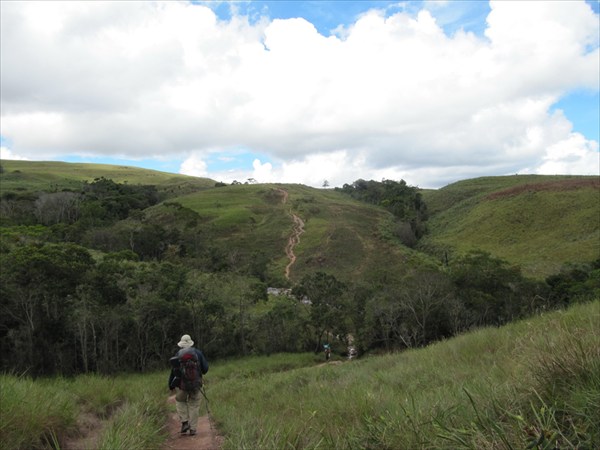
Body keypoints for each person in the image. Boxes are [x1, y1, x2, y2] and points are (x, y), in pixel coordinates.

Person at [168, 334, 209, 436]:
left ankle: (185, 422)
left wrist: (171, 385)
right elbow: (205, 369)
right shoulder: (198, 353)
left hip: (183, 385)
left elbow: (174, 372)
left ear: (181, 344)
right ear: (191, 343)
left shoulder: (178, 354)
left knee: (180, 400)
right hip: (196, 385)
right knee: (194, 405)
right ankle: (193, 429)